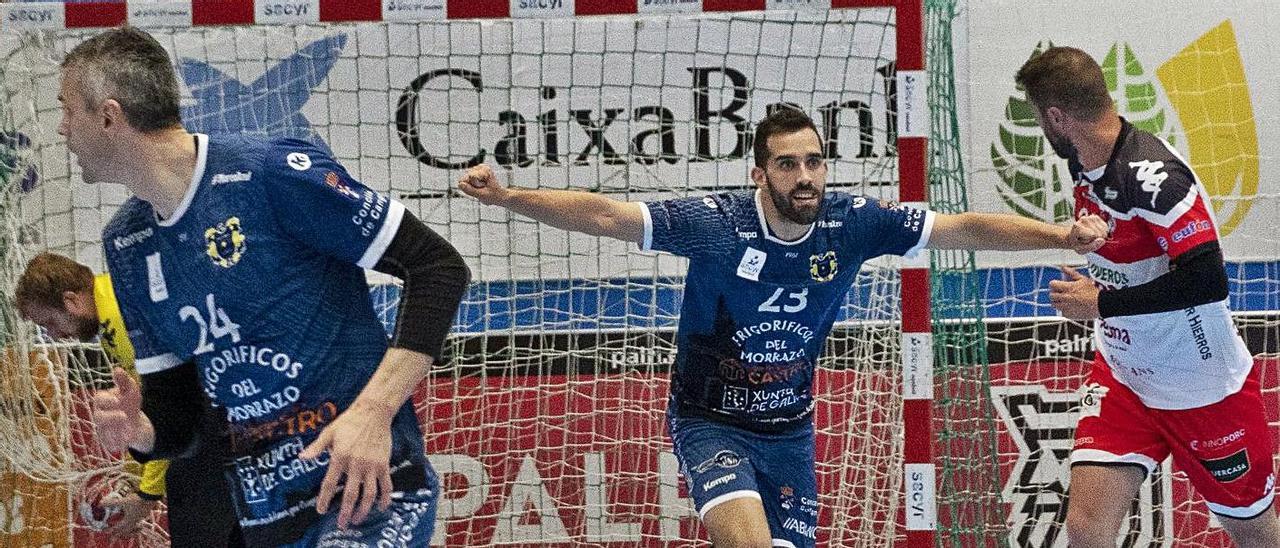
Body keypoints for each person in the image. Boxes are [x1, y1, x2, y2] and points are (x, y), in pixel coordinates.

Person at [458, 107, 1107, 547]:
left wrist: (1058, 234)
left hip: (791, 432)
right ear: (760, 173)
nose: (805, 176)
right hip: (710, 421)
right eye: (789, 165)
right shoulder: (715, 224)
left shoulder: (852, 222)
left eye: (814, 162)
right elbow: (605, 215)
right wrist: (510, 197)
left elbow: (960, 227)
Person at [60, 26, 470, 547]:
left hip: (367, 495)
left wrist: (375, 412)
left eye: (68, 109)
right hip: (268, 517)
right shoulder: (127, 243)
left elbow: (437, 266)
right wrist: (142, 433)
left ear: (109, 116)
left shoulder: (269, 173)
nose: (62, 128)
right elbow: (180, 413)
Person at [1018, 46, 1280, 548]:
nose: (1044, 131)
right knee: (1086, 529)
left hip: (1203, 388)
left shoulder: (1152, 176)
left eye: (1040, 119)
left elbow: (1207, 280)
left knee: (1256, 536)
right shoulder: (1085, 162)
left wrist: (1100, 304)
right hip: (1126, 376)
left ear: (1057, 117)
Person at [15, 252, 244, 547]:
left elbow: (166, 416)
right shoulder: (114, 303)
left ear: (71, 301)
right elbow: (142, 415)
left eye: (50, 323)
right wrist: (134, 482)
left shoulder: (121, 317)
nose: (54, 335)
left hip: (218, 430)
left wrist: (146, 494)